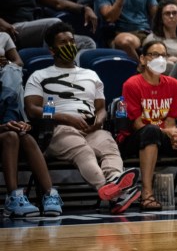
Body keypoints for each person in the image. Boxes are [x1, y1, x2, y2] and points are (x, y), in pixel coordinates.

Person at [24, 23, 142, 213]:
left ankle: (114, 183)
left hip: (91, 127)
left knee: (109, 146)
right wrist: (65, 118)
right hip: (58, 128)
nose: (70, 45)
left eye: (71, 41)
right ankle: (115, 193)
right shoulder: (39, 76)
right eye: (63, 42)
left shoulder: (91, 75)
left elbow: (101, 108)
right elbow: (32, 109)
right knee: (84, 151)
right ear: (52, 50)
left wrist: (99, 121)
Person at [118, 40, 177, 211]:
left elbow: (170, 120)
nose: (160, 59)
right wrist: (167, 132)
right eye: (154, 54)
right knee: (150, 130)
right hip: (136, 139)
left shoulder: (173, 84)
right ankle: (147, 194)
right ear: (143, 59)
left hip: (162, 134)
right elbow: (138, 124)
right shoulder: (132, 84)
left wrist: (174, 135)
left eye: (163, 55)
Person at [1, 67, 61, 217]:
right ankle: (12, 198)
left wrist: (21, 125)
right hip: (5, 139)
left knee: (24, 136)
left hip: (5, 143)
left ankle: (50, 194)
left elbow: (10, 121)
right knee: (10, 136)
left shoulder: (7, 92)